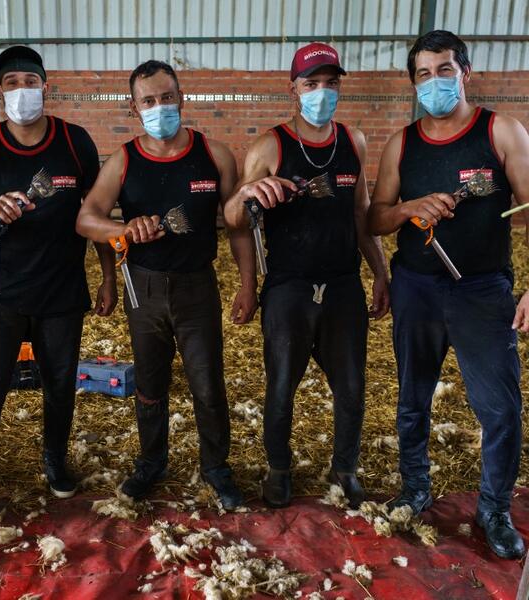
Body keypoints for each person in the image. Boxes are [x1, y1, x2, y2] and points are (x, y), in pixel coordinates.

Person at [0, 46, 117, 546]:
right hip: (1, 291)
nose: (23, 91)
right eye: (12, 82)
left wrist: (105, 276)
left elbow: (94, 214)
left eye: (30, 81)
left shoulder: (74, 142)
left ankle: (55, 462)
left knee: (60, 383)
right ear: (0, 90)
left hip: (62, 289)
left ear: (46, 85)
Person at [368, 30, 529, 559]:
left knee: (500, 408)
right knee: (413, 399)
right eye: (422, 74)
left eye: (444, 70)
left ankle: (494, 509)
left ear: (465, 71)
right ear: (412, 83)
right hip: (416, 285)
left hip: (481, 290)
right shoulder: (402, 144)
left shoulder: (501, 131)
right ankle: (415, 487)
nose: (434, 81)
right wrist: (410, 207)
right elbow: (376, 218)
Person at [76, 59, 256, 509]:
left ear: (182, 97)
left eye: (167, 97)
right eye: (149, 101)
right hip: (145, 287)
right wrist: (122, 232)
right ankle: (151, 462)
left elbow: (237, 225)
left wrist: (249, 282)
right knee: (150, 382)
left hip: (197, 285)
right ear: (135, 108)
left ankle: (216, 467)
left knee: (207, 382)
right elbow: (86, 219)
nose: (160, 107)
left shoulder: (214, 155)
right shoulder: (124, 160)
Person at [223, 43, 389, 510]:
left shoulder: (353, 141)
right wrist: (248, 285)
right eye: (311, 83)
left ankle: (345, 469)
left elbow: (360, 214)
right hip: (289, 286)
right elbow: (235, 218)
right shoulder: (271, 144)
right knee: (281, 384)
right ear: (293, 87)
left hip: (342, 284)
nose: (321, 92)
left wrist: (380, 272)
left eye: (330, 84)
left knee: (352, 386)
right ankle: (279, 470)